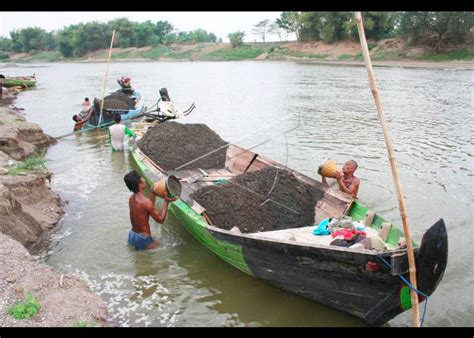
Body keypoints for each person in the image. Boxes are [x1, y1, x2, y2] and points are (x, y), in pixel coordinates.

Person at [124, 170, 175, 250]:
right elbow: (160, 220)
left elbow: (147, 208)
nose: (144, 178)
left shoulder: (131, 198)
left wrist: (153, 193)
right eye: (142, 177)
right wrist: (166, 201)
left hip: (132, 235)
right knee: (162, 249)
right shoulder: (146, 203)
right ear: (140, 183)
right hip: (144, 239)